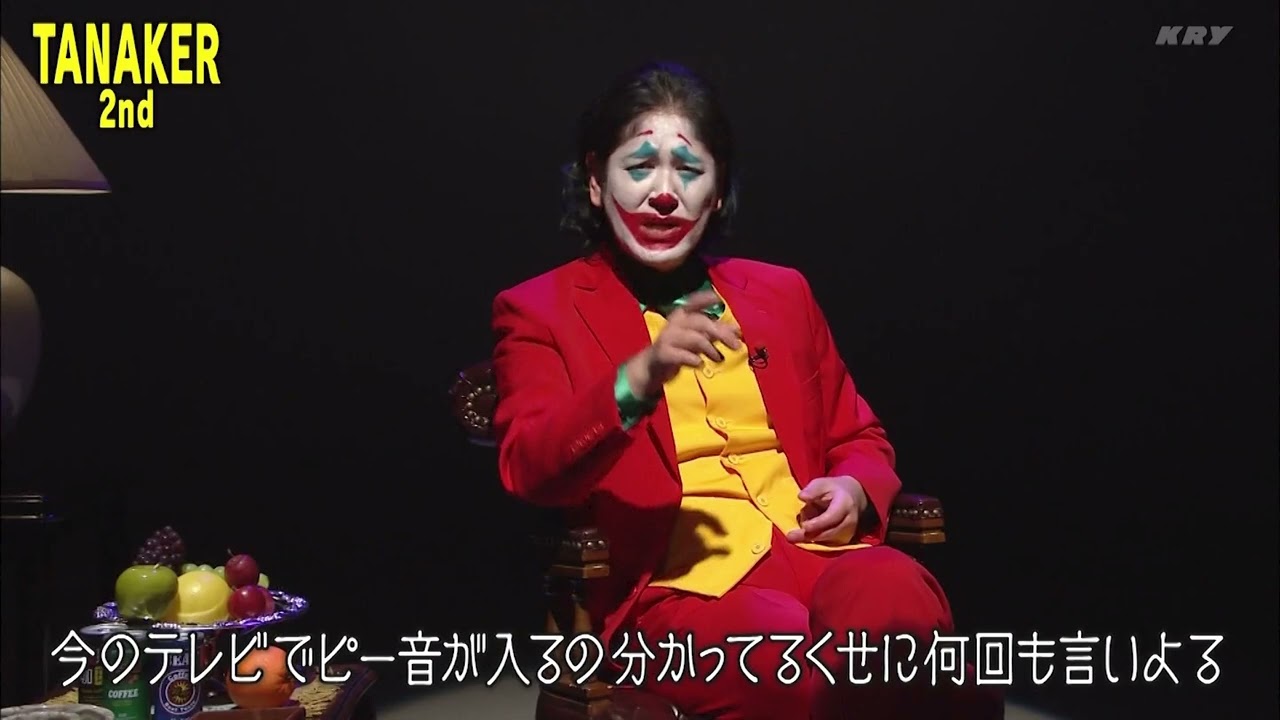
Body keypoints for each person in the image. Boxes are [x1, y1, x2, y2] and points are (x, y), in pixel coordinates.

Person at [491, 62, 1000, 720]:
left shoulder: (781, 293)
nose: (664, 193)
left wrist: (854, 488)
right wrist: (638, 378)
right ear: (596, 179)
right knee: (816, 684)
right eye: (639, 167)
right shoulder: (540, 310)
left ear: (717, 190)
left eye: (689, 170)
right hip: (680, 594)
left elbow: (859, 435)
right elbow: (530, 465)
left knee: (900, 612)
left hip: (822, 554)